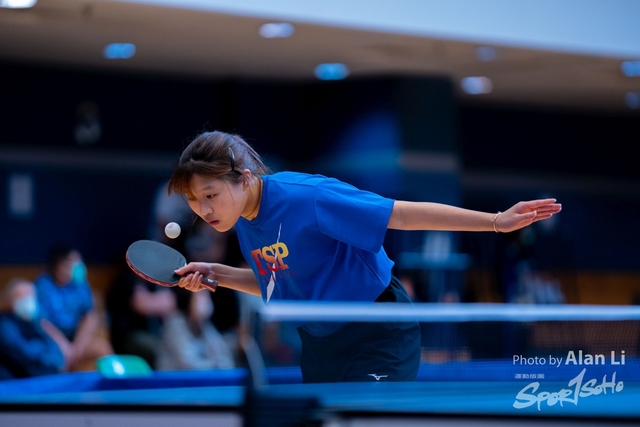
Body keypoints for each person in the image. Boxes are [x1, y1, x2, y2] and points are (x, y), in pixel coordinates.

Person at [168, 130, 562, 383]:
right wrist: (216, 273)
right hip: (321, 344)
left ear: (246, 177)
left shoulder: (309, 197)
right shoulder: (242, 220)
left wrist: (496, 222)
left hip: (378, 329)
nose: (203, 209)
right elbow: (281, 281)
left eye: (210, 195)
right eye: (193, 200)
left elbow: (401, 213)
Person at [34, 244, 113, 372]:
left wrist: (77, 348)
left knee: (103, 348)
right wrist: (64, 347)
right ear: (60, 265)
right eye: (75, 262)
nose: (80, 266)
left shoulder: (80, 283)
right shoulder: (43, 285)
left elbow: (89, 316)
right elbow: (42, 322)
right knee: (55, 359)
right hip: (52, 340)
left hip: (76, 338)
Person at [0, 278, 70, 379]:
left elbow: (56, 351)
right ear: (10, 300)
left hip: (39, 378)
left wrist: (53, 360)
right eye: (23, 295)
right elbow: (24, 355)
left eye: (31, 295)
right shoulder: (4, 325)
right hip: (14, 385)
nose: (28, 299)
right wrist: (47, 359)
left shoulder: (36, 322)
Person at [156, 287, 235, 371]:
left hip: (199, 380)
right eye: (201, 295)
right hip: (173, 382)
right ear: (189, 298)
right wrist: (215, 366)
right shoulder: (175, 324)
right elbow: (187, 364)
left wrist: (219, 366)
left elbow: (224, 358)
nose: (205, 300)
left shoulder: (205, 325)